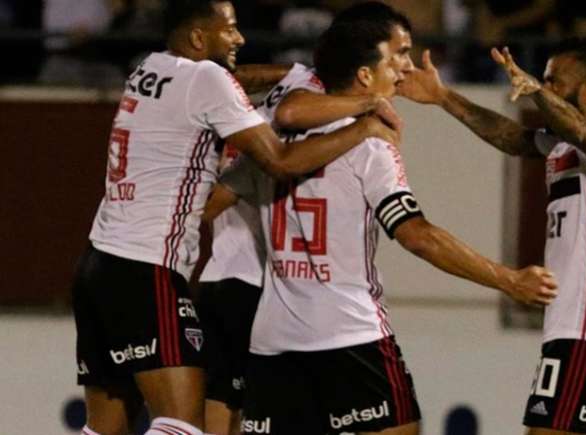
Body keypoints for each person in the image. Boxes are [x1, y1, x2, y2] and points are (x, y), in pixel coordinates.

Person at [205, 17, 558, 435]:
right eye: (399, 56)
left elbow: (210, 203)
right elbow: (416, 235)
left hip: (273, 342)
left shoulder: (273, 142)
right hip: (349, 334)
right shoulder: (370, 143)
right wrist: (508, 280)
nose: (406, 67)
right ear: (365, 74)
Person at [69, 0, 399, 434]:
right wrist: (364, 125)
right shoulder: (207, 79)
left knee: (104, 429)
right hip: (144, 270)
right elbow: (279, 160)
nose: (240, 38)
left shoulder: (150, 66)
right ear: (199, 38)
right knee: (182, 426)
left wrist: (292, 75)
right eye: (230, 29)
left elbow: (237, 81)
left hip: (97, 267)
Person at [398, 38, 586, 435]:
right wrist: (443, 97)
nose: (545, 89)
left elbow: (583, 131)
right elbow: (512, 138)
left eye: (554, 82)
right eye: (543, 82)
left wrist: (536, 93)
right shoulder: (565, 143)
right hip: (577, 325)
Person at [196, 4, 412, 433]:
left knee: (223, 404)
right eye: (397, 55)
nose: (402, 67)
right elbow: (292, 114)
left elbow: (246, 85)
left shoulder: (283, 87)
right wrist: (370, 112)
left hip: (219, 272)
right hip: (261, 282)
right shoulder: (313, 97)